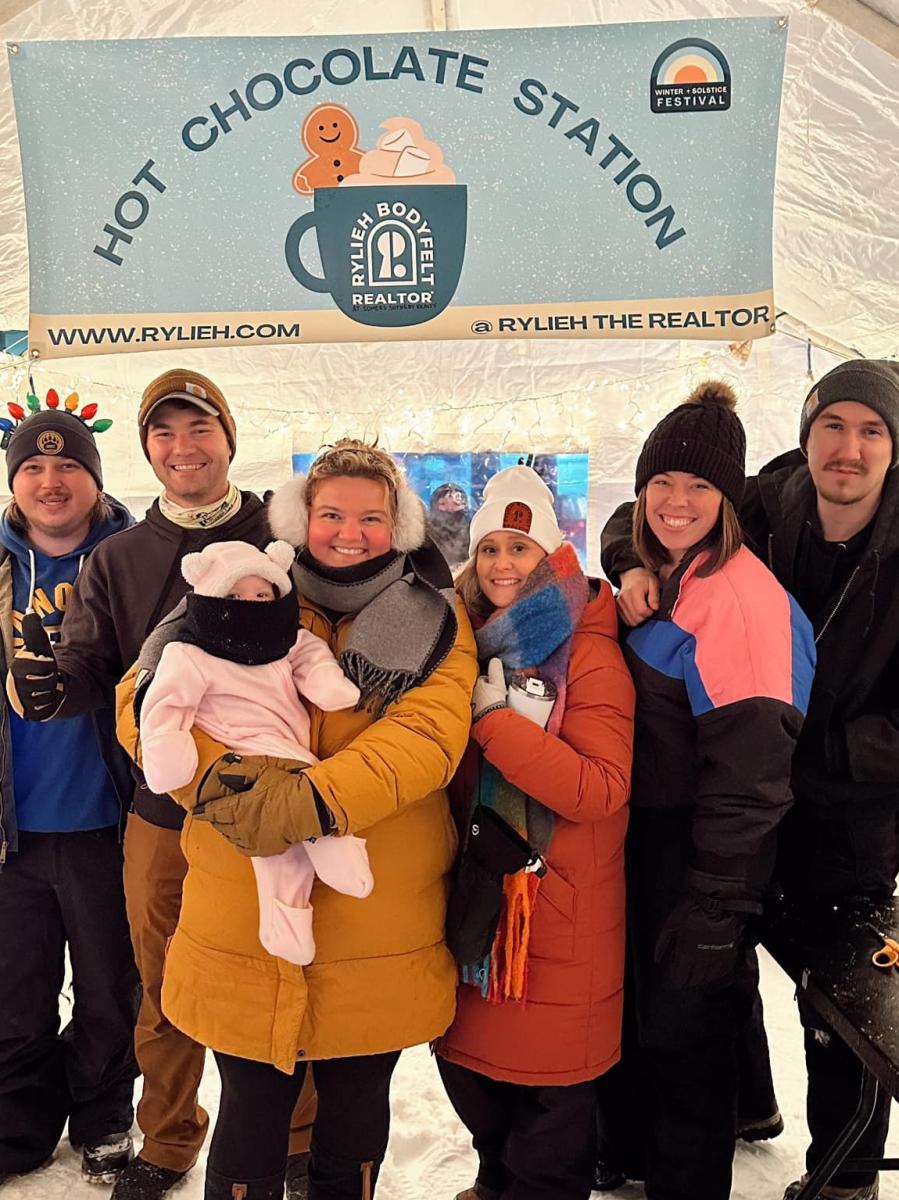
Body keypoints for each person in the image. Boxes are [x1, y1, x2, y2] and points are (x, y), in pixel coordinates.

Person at [115, 439, 477, 1200]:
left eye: (372, 517)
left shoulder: (438, 620)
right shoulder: (243, 586)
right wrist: (236, 785)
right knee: (250, 1109)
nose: (351, 531)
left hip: (376, 911)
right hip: (240, 904)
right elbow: (145, 700)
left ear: (399, 526)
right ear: (300, 519)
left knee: (351, 1114)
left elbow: (427, 737)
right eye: (332, 514)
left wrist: (313, 802)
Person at [8, 370, 315, 1200]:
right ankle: (170, 1133)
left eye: (199, 429)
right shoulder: (121, 556)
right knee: (164, 979)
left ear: (229, 437)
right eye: (164, 434)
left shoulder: (289, 531)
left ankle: (297, 1137)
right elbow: (88, 660)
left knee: (291, 962)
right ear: (146, 450)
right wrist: (55, 686)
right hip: (163, 808)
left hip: (281, 803)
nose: (183, 448)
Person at [603, 359, 899, 1200]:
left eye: (870, 430)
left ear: (892, 446)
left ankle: (844, 1180)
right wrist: (628, 561)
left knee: (836, 1015)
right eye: (831, 427)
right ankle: (746, 1110)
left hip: (845, 814)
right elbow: (652, 511)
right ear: (804, 436)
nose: (846, 447)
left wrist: (820, 751)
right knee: (711, 979)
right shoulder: (769, 499)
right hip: (745, 793)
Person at [598, 381, 815, 1200]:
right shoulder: (675, 569)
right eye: (661, 484)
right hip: (657, 837)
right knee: (660, 1027)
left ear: (730, 498)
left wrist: (715, 903)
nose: (675, 501)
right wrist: (624, 564)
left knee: (689, 1039)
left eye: (698, 487)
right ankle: (642, 1163)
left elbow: (752, 777)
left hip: (708, 852)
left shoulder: (742, 603)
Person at [434, 465, 635, 1200]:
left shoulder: (587, 648)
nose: (501, 565)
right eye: (489, 549)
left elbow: (598, 788)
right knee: (474, 1082)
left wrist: (491, 724)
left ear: (551, 557)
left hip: (555, 913)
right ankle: (494, 1183)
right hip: (479, 904)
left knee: (549, 1112)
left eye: (520, 549)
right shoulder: (461, 640)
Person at [0, 401, 139, 1187]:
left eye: (68, 467)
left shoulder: (133, 559)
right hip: (10, 825)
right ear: (15, 481)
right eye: (33, 468)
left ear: (94, 477)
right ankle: (16, 1128)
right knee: (13, 990)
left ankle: (103, 1117)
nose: (51, 483)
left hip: (106, 818)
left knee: (109, 990)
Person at [138, 538, 370, 965]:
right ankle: (321, 863)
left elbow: (312, 657)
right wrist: (167, 744)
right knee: (287, 833)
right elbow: (165, 702)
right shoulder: (188, 651)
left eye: (262, 594)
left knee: (281, 836)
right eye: (234, 595)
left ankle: (288, 918)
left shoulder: (285, 639)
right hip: (239, 755)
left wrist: (326, 683)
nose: (249, 604)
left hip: (290, 750)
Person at [428, 482, 471, 568]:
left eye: (456, 504)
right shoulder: (425, 534)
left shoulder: (472, 531)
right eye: (443, 504)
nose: (450, 509)